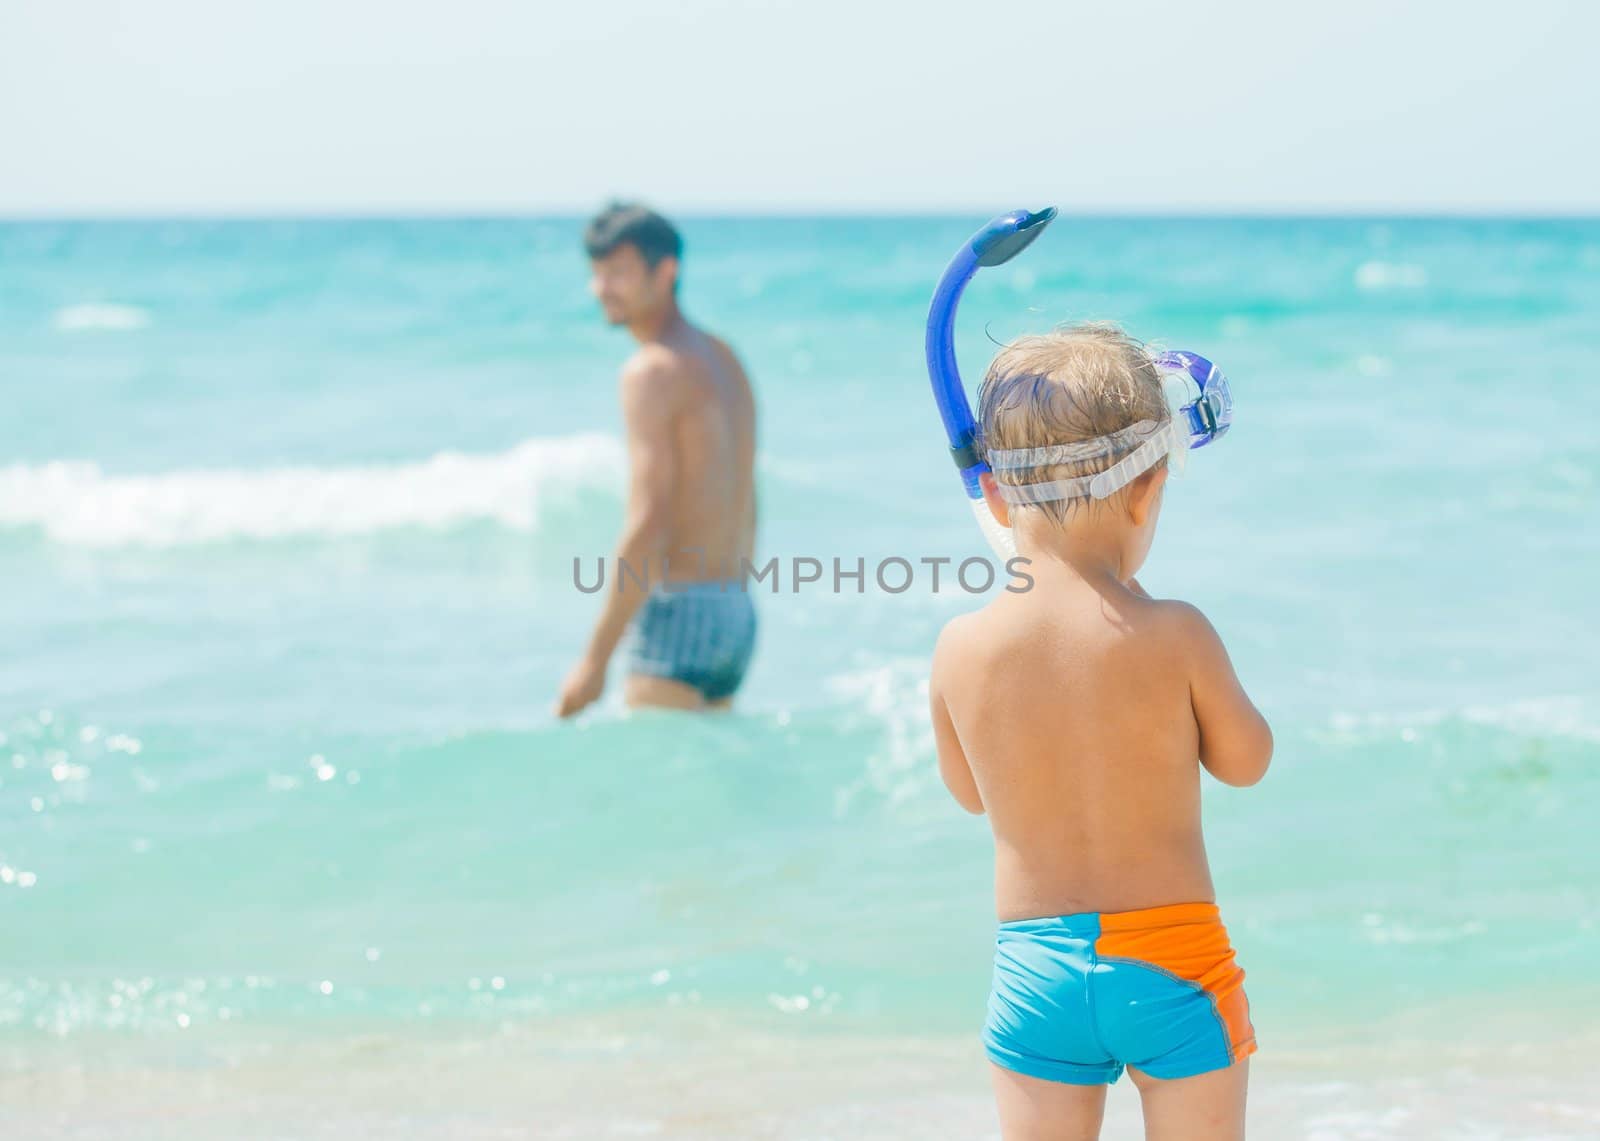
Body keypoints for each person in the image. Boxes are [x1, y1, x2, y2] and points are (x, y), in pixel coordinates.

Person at [928, 324, 1273, 1140]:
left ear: (1000, 499)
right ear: (1146, 490)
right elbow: (1247, 761)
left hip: (1035, 975)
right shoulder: (1176, 632)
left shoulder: (962, 647)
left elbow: (969, 794)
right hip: (1172, 967)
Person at [555, 203, 758, 717]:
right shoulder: (724, 357)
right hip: (735, 610)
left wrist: (593, 661)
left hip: (677, 613)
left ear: (666, 271)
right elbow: (744, 493)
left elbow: (649, 522)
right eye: (596, 273)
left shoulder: (651, 372)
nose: (602, 288)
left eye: (618, 273)